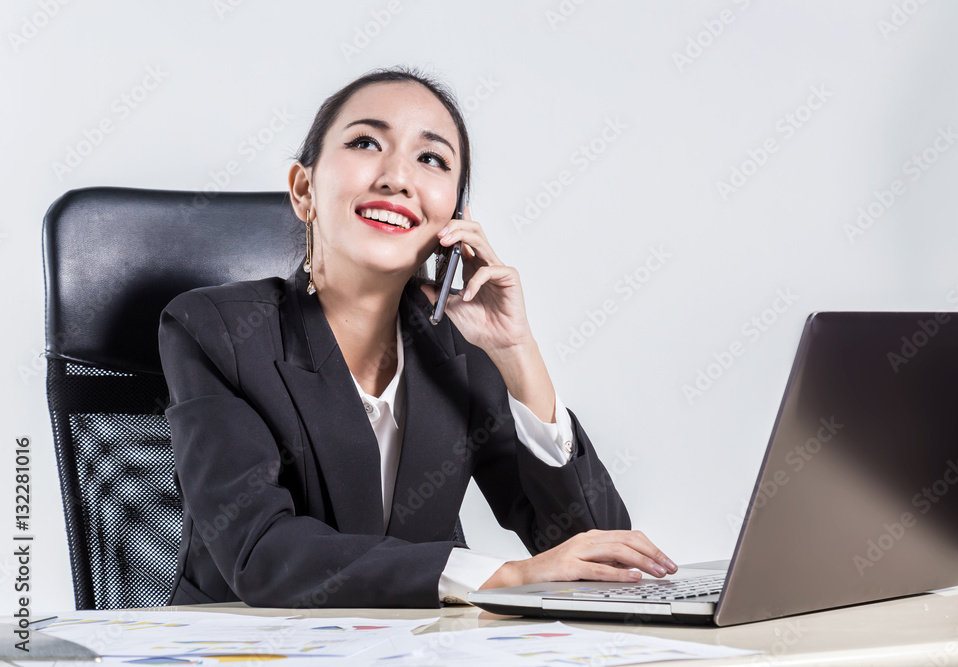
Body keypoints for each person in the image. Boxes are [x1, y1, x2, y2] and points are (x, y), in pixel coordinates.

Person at [158, 66, 677, 608]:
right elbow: (262, 553)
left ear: (453, 215)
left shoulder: (457, 345)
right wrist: (500, 576)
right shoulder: (216, 330)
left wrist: (515, 353)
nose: (397, 177)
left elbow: (601, 550)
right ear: (304, 189)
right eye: (365, 142)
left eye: (431, 159)